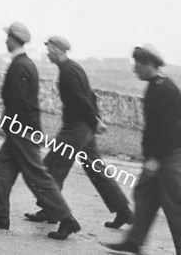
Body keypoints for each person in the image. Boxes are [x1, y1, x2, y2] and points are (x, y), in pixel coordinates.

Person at [0, 22, 81, 240]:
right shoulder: (24, 64)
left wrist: (13, 126)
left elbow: (20, 103)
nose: (5, 41)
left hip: (23, 131)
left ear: (14, 39)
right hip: (22, 130)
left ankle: (68, 220)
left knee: (38, 178)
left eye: (7, 37)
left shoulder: (20, 66)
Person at [24, 36, 134, 228]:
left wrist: (94, 122)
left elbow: (81, 100)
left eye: (49, 49)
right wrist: (94, 122)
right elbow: (89, 96)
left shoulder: (68, 71)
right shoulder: (73, 68)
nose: (47, 53)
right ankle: (123, 211)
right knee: (95, 169)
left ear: (58, 49)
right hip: (84, 128)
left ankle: (53, 213)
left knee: (51, 166)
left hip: (76, 129)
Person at [106, 45, 181, 253]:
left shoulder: (167, 90)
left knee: (174, 205)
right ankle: (134, 241)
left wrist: (155, 159)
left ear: (150, 64)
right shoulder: (155, 86)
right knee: (144, 195)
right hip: (158, 157)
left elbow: (171, 130)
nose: (135, 69)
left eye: (139, 65)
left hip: (169, 157)